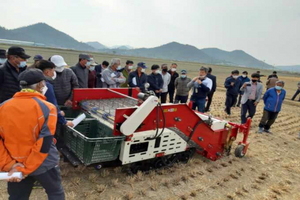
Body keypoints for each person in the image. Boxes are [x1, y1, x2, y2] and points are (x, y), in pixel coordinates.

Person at [0, 68, 65, 200]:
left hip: (15, 163)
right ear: (40, 85)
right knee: (55, 193)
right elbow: (44, 143)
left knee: (17, 196)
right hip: (44, 164)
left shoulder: (2, 107)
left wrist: (11, 165)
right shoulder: (48, 108)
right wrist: (27, 168)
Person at [36, 60, 73, 127]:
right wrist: (64, 121)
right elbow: (52, 105)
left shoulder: (33, 83)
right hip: (44, 121)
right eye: (53, 71)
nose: (54, 73)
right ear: (47, 72)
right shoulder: (46, 86)